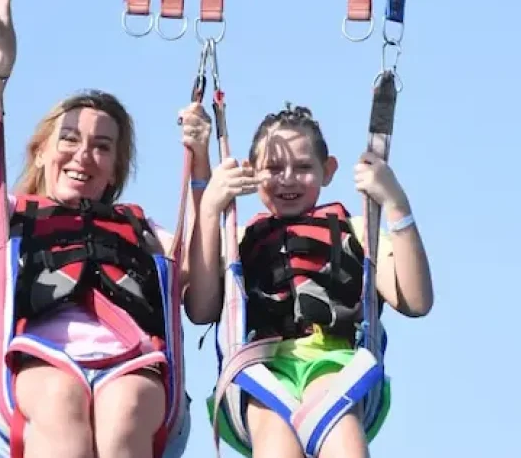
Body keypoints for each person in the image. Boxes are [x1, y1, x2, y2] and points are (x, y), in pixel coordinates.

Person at [0, 0, 207, 458]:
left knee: (127, 410)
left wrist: (200, 165)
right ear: (42, 151)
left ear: (115, 170)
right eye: (69, 139)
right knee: (60, 400)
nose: (83, 155)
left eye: (102, 147)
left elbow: (195, 288)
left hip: (133, 361)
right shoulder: (4, 225)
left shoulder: (143, 231)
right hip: (40, 357)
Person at [184, 102, 434, 458]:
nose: (287, 178)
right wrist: (210, 207)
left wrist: (394, 202)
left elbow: (417, 301)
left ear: (328, 170)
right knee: (275, 447)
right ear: (251, 172)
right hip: (260, 370)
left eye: (303, 167)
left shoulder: (357, 231)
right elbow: (200, 308)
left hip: (337, 361)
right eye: (273, 167)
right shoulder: (237, 240)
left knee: (343, 438)